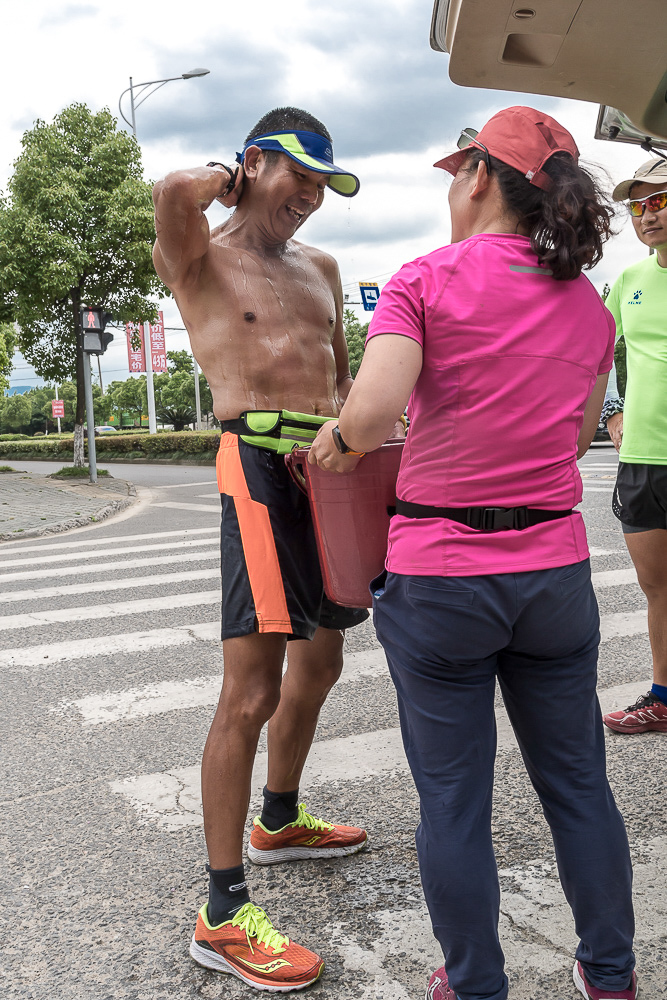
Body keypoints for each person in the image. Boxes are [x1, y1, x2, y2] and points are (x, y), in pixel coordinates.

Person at [309, 107, 637, 1000]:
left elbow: (371, 416)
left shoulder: (425, 279)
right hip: (553, 574)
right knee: (579, 785)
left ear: (479, 176)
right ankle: (609, 975)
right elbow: (574, 435)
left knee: (453, 800)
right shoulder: (586, 306)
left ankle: (474, 982)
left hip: (443, 578)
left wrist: (333, 444)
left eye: (456, 174)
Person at [152, 107, 369, 992]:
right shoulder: (197, 257)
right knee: (252, 690)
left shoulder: (322, 268)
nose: (310, 197)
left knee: (323, 660)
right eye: (297, 176)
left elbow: (342, 373)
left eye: (323, 185)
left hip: (330, 471)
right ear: (250, 164)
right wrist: (223, 180)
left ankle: (278, 818)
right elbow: (173, 192)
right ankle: (222, 911)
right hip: (256, 469)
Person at [598, 157, 667, 735]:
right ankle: (663, 695)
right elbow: (595, 352)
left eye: (660, 200)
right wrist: (612, 410)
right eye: (639, 205)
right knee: (657, 586)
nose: (648, 215)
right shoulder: (629, 281)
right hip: (643, 458)